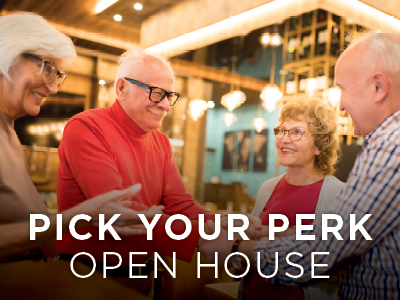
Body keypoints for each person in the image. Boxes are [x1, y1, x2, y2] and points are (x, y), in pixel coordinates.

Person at [199, 33, 400, 300]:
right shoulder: (269, 187)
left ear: (378, 86)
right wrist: (270, 232)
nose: (340, 104)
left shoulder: (388, 150)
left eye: (343, 88)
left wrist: (236, 248)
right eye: (281, 131)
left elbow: (324, 252)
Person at [0, 12, 162, 262]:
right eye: (47, 68)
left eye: (58, 76)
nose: (53, 88)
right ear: (7, 56)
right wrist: (77, 217)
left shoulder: (8, 131)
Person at [56, 49, 216, 296]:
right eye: (156, 93)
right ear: (121, 88)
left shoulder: (161, 142)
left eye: (169, 95)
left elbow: (180, 205)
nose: (165, 105)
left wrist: (227, 226)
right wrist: (202, 237)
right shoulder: (86, 127)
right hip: (90, 274)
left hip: (144, 274)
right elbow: (118, 213)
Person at [237, 100, 344, 300]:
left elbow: (337, 266)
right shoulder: (268, 188)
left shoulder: (339, 194)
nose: (284, 139)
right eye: (282, 131)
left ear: (319, 145)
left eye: (297, 132)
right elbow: (249, 246)